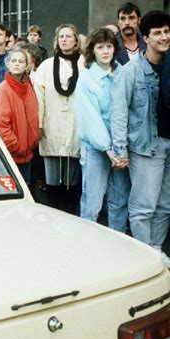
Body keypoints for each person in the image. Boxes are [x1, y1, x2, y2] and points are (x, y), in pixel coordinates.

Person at [111, 10, 170, 265]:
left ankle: (155, 249)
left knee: (166, 205)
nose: (164, 37)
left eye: (167, 31)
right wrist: (120, 149)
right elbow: (118, 111)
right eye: (157, 33)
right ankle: (145, 257)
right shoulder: (131, 71)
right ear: (145, 37)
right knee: (143, 205)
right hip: (146, 145)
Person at [74, 28, 130, 231]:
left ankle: (118, 243)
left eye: (109, 46)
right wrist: (108, 148)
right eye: (100, 47)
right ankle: (87, 244)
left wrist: (121, 148)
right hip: (97, 148)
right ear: (93, 50)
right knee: (93, 201)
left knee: (119, 199)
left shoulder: (124, 72)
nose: (105, 51)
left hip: (120, 146)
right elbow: (91, 118)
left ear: (115, 49)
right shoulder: (87, 78)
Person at [34, 23, 84, 213]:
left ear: (76, 40)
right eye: (61, 36)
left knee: (73, 181)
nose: (65, 40)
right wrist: (38, 125)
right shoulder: (46, 66)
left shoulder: (84, 64)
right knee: (53, 179)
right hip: (52, 125)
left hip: (76, 125)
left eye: (69, 36)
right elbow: (39, 97)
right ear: (56, 41)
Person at [0, 47, 39, 185]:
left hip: (27, 154)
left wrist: (32, 142)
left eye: (21, 61)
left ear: (27, 65)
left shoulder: (29, 86)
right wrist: (16, 146)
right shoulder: (3, 90)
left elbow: (34, 116)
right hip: (11, 155)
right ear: (8, 64)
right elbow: (1, 125)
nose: (17, 64)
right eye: (13, 60)